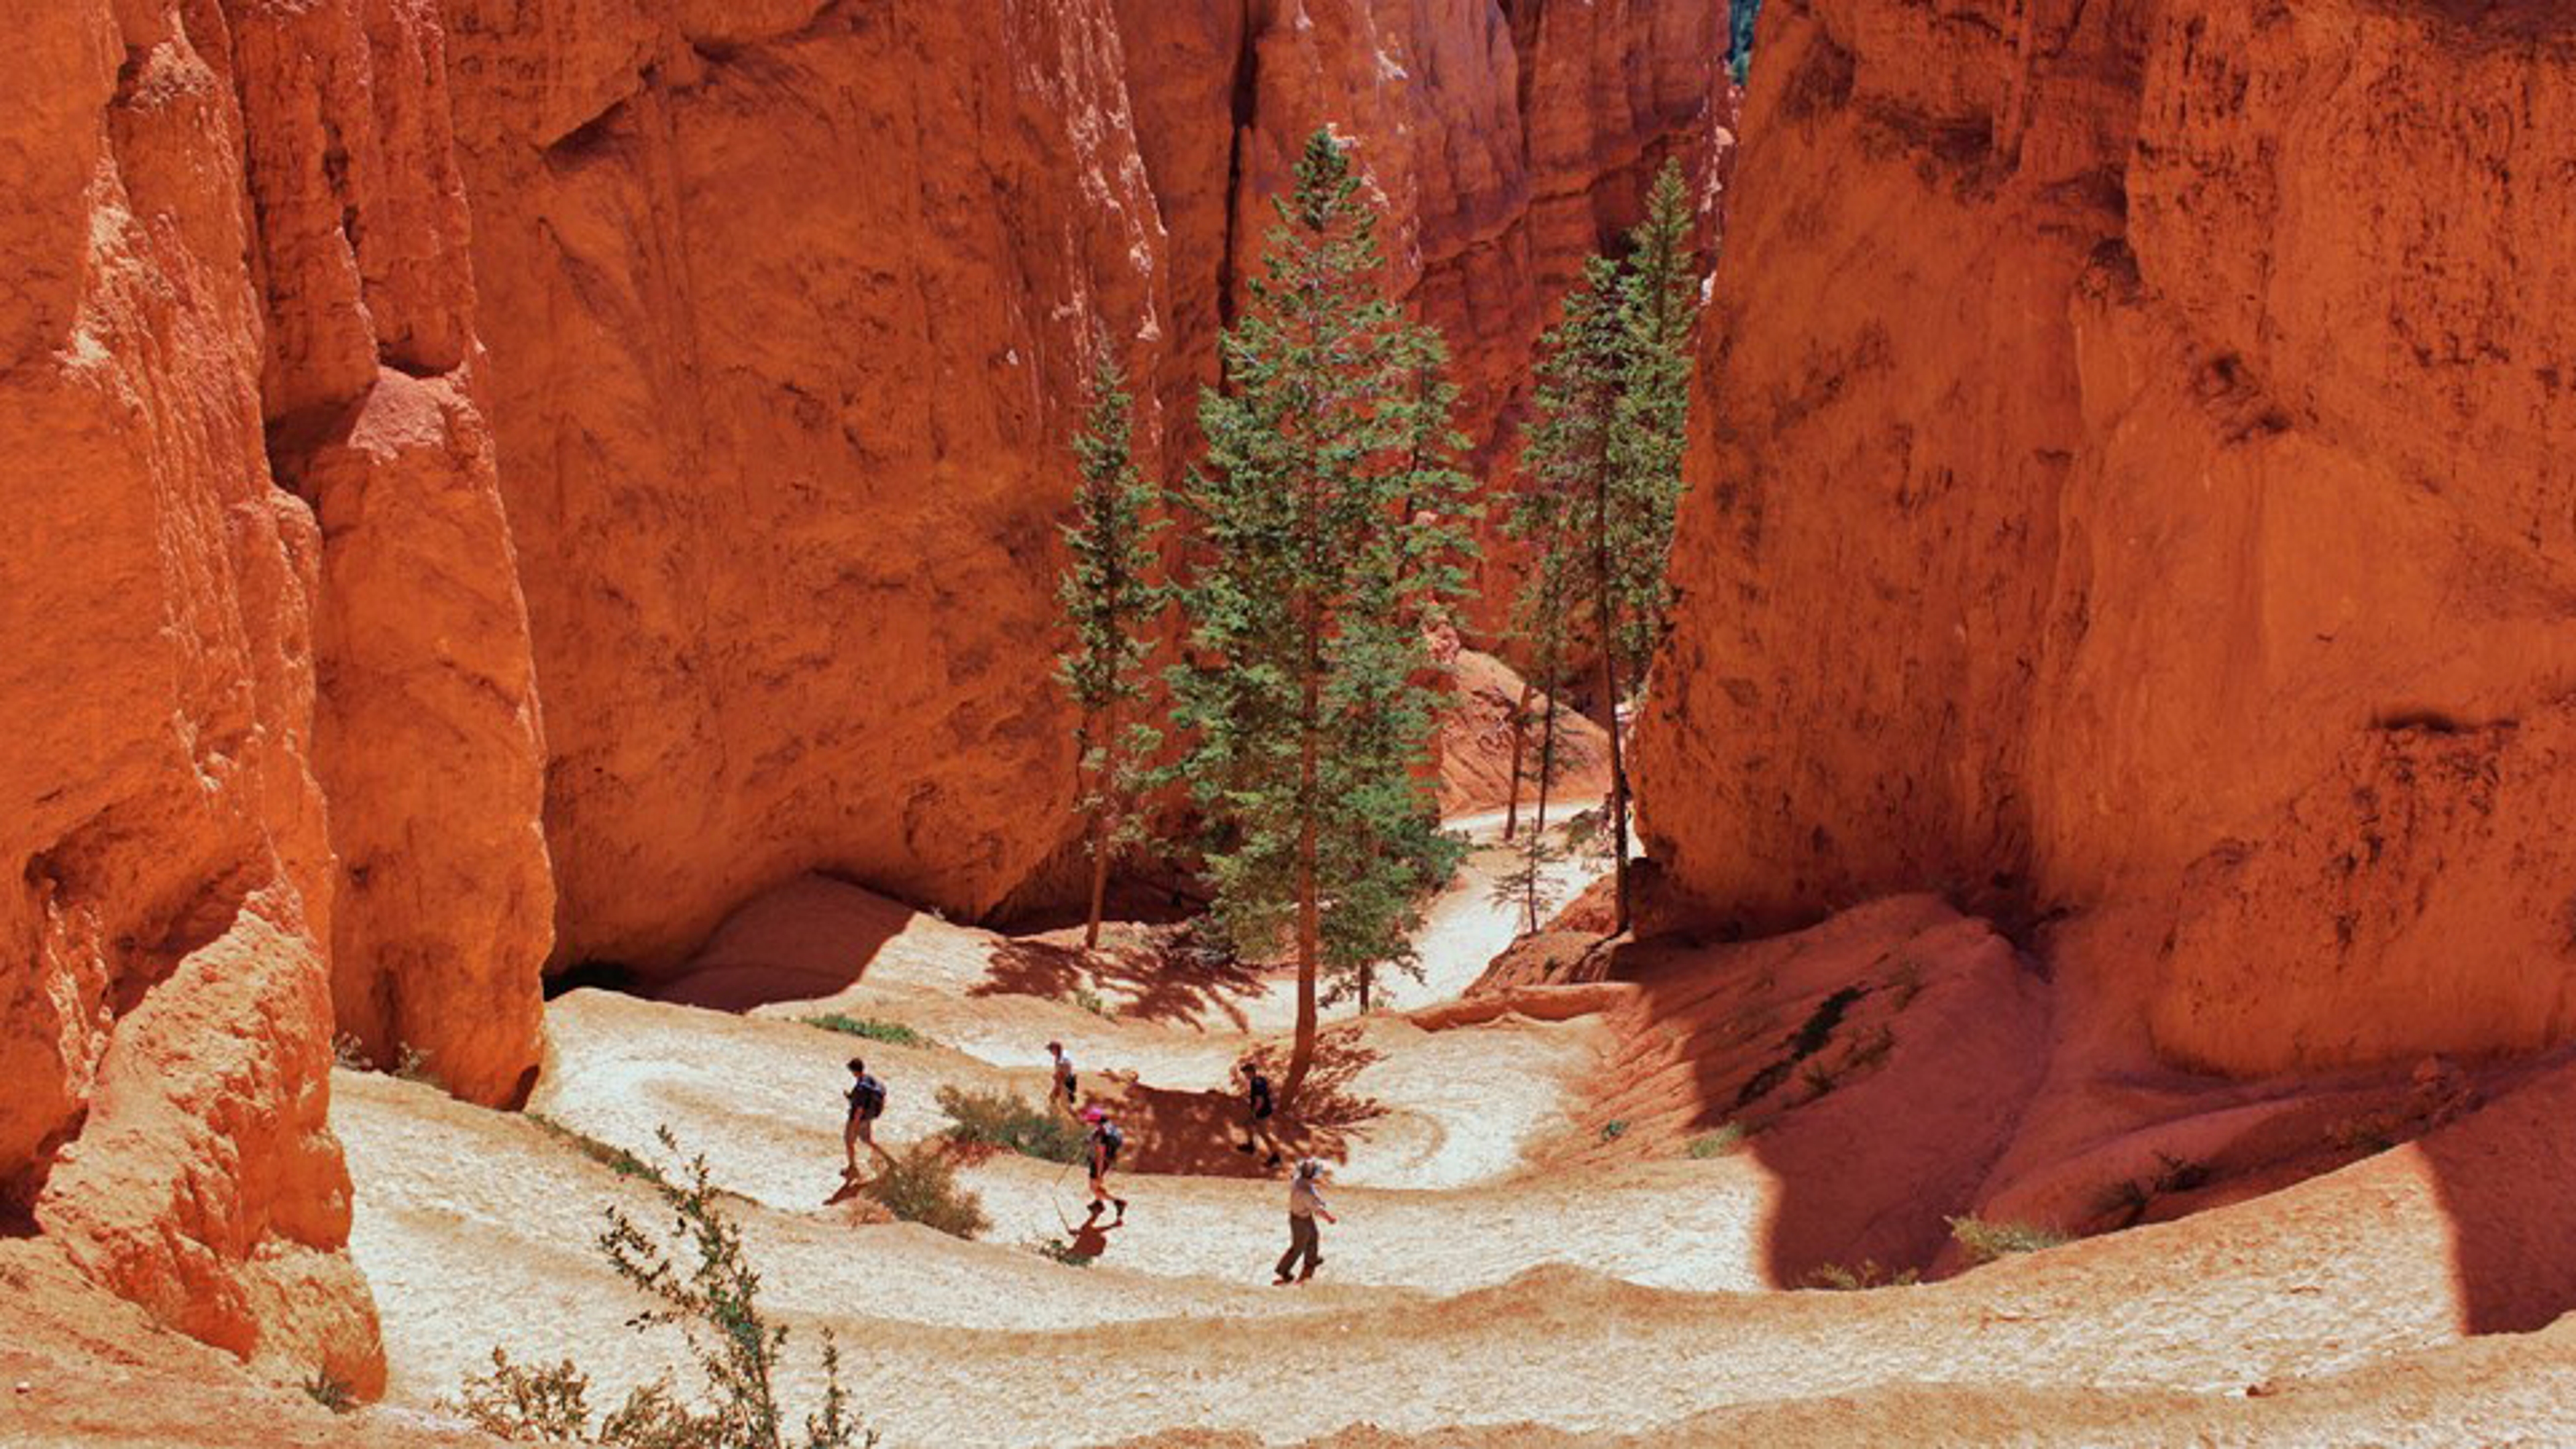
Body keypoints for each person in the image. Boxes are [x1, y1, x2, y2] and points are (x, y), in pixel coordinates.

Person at [1275, 1158, 1335, 1285]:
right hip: (1300, 1221)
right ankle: (1283, 1270)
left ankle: (1311, 1260)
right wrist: (1329, 1218)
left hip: (1303, 1216)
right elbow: (1317, 1209)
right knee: (1298, 1247)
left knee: (1313, 1237)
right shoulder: (1306, 1192)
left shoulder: (1299, 1181)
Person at [843, 1057, 892, 1179]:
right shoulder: (868, 1078)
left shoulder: (860, 1088)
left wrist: (854, 1126)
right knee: (868, 1140)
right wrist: (850, 1097)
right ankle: (889, 1159)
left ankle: (853, 1168)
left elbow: (860, 1109)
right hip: (868, 1118)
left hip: (858, 1119)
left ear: (854, 1071)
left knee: (849, 1142)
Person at [1081, 1106, 1127, 1222]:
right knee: (1096, 1187)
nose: (1089, 1123)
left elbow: (1100, 1157)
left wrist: (1099, 1174)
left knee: (1094, 1187)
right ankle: (1098, 1204)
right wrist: (1090, 1139)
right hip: (1108, 1159)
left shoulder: (1102, 1137)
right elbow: (1096, 1133)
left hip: (1100, 1163)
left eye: (1090, 1121)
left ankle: (1118, 1202)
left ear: (1096, 1121)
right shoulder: (1107, 1125)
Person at [1235, 1059, 1281, 1167]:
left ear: (1250, 1072)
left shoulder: (1256, 1083)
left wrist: (1254, 1113)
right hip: (1263, 1110)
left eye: (1246, 1073)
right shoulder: (1259, 1080)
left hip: (1262, 1112)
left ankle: (1276, 1158)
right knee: (1248, 1125)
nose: (1245, 1075)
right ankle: (1251, 1146)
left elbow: (1260, 1101)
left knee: (1264, 1135)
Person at [1047, 1040, 1079, 1118]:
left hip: (1065, 1082)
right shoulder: (1062, 1054)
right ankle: (1055, 1116)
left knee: (1066, 1106)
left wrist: (1061, 1077)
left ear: (1055, 1049)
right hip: (1063, 1081)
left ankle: (1079, 1120)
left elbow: (1067, 1067)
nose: (1050, 1052)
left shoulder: (1062, 1059)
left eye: (1051, 1049)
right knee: (1052, 1098)